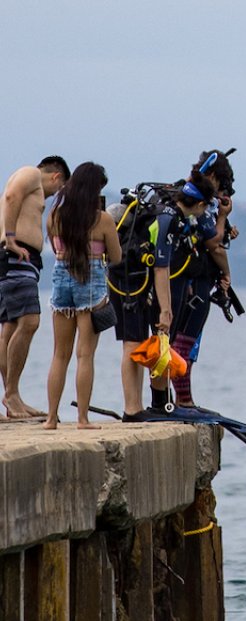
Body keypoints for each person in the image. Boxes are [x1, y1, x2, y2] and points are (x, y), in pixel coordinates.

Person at [108, 178, 214, 418]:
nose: (205, 213)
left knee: (159, 343)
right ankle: (132, 409)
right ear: (198, 204)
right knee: (133, 344)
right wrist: (166, 311)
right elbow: (161, 268)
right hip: (128, 281)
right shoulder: (168, 219)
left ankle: (158, 404)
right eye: (206, 207)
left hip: (136, 279)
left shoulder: (171, 213)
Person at [43, 163, 122, 429]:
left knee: (59, 354)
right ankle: (82, 419)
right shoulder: (102, 219)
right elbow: (117, 256)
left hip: (61, 280)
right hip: (91, 283)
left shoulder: (54, 215)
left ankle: (51, 418)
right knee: (85, 355)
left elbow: (55, 250)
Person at [1, 156, 70, 418]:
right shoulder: (30, 174)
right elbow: (10, 197)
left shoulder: (33, 185)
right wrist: (10, 239)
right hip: (16, 254)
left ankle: (13, 396)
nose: (54, 196)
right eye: (59, 189)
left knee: (10, 326)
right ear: (56, 177)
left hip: (20, 258)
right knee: (29, 322)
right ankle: (12, 395)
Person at [168, 150, 237, 407]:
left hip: (179, 281)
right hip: (194, 282)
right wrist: (222, 217)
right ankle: (184, 401)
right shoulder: (202, 202)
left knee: (177, 343)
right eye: (220, 184)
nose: (219, 191)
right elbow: (214, 245)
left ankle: (178, 398)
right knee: (185, 344)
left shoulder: (183, 195)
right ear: (213, 176)